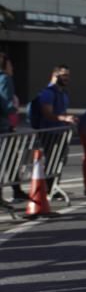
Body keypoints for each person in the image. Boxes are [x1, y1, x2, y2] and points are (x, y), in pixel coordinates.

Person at [0, 53, 28, 201]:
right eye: (10, 64)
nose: (13, 68)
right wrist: (15, 108)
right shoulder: (5, 78)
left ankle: (17, 190)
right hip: (4, 126)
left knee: (8, 157)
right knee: (9, 157)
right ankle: (16, 191)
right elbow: (6, 103)